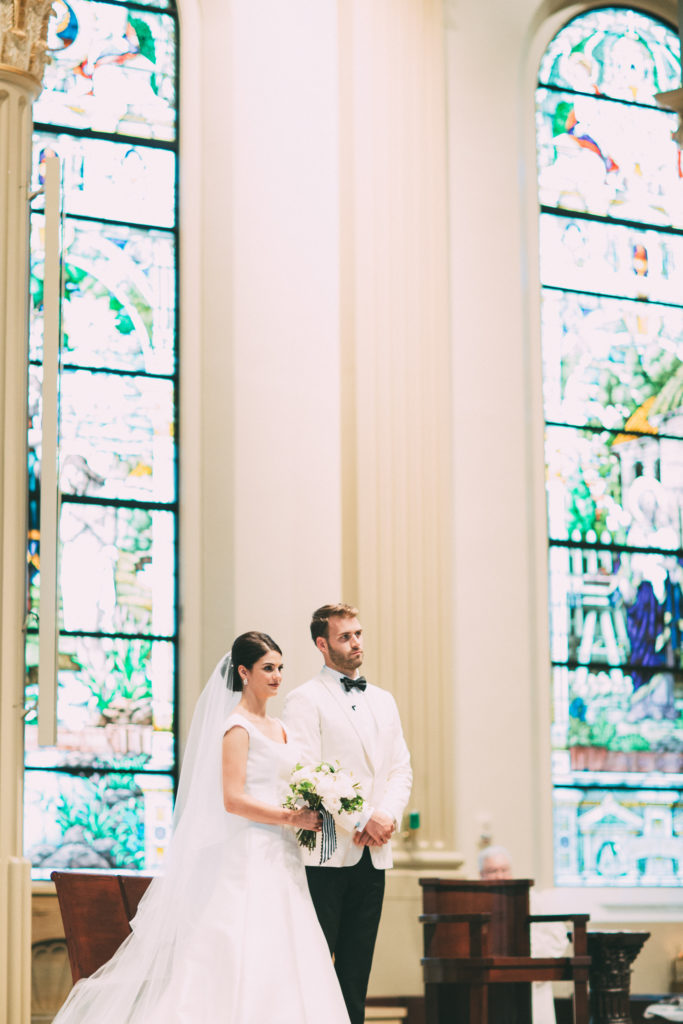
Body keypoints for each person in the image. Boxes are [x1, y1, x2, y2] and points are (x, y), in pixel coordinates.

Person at [51, 631, 351, 1024]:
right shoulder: (237, 728)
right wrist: (290, 817)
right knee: (240, 944)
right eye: (267, 668)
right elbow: (233, 799)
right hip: (249, 854)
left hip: (284, 855)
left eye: (280, 668)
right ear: (244, 672)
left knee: (288, 949)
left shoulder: (281, 728)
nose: (277, 676)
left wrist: (312, 802)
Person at [283, 603, 413, 1024]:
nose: (356, 643)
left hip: (373, 855)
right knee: (316, 967)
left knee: (356, 972)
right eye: (345, 637)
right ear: (322, 645)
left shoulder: (384, 701)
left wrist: (386, 816)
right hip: (327, 853)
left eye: (358, 634)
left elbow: (400, 768)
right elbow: (307, 772)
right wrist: (362, 820)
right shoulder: (304, 699)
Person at [478, 846, 569, 1024]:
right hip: (491, 982)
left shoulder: (535, 901)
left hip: (532, 980)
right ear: (481, 874)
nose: (499, 876)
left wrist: (525, 950)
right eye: (492, 871)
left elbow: (557, 940)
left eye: (504, 870)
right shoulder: (475, 903)